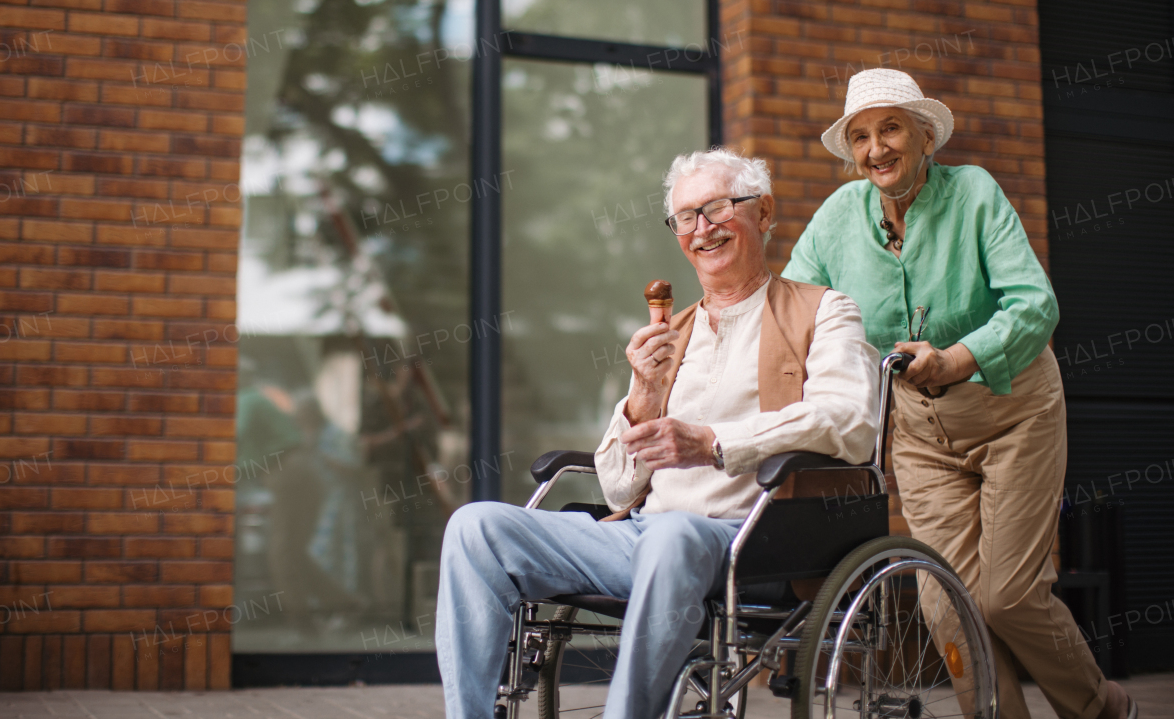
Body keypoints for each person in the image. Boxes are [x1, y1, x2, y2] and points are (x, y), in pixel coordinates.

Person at [435, 149, 881, 719]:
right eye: (686, 218)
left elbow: (850, 420)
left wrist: (712, 442)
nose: (703, 229)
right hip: (641, 536)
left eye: (718, 208)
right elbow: (619, 491)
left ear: (764, 212)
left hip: (751, 542)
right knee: (476, 526)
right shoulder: (672, 332)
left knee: (674, 538)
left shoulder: (824, 311)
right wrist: (643, 394)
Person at [782, 68, 1137, 719]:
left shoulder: (973, 194)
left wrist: (954, 357)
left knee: (1006, 596)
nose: (875, 148)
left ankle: (1101, 707)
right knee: (946, 602)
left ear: (924, 134)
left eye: (890, 127)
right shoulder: (838, 218)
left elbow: (1035, 305)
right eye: (860, 136)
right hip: (919, 434)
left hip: (1011, 411)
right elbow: (791, 306)